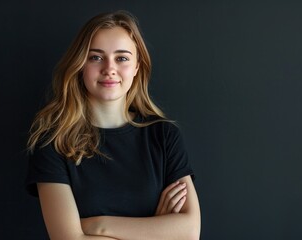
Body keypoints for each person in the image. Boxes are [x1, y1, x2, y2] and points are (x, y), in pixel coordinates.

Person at [25, 10, 200, 240]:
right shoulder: (54, 142)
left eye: (122, 58)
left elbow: (189, 232)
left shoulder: (164, 136)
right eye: (96, 57)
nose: (109, 68)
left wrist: (98, 226)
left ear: (137, 67)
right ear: (80, 65)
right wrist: (157, 231)